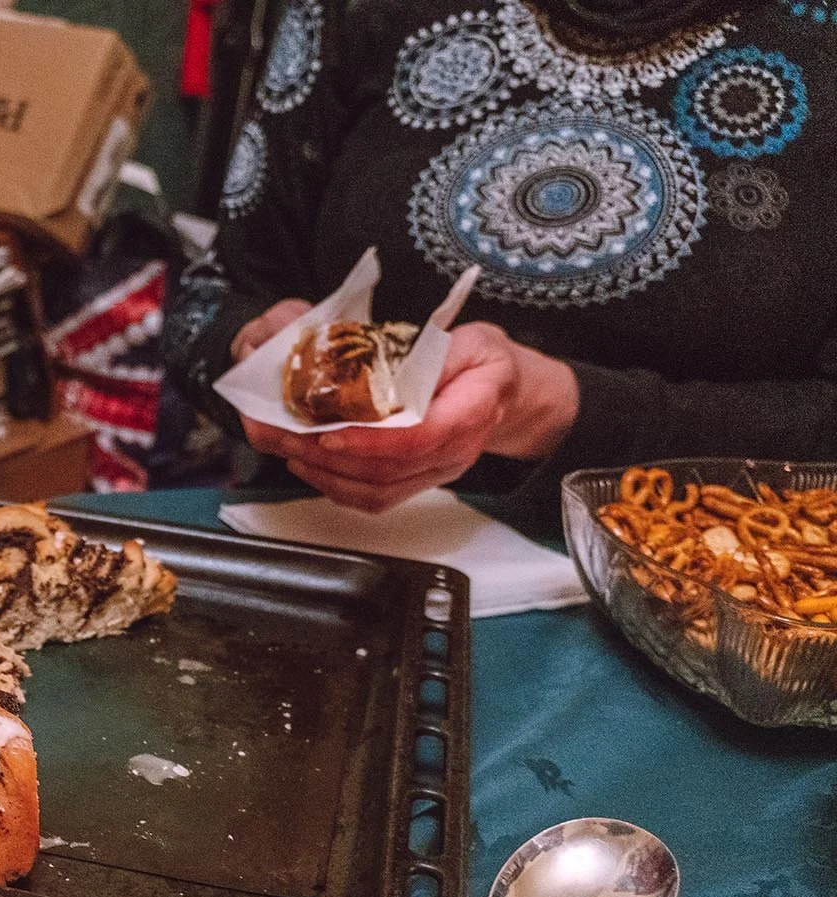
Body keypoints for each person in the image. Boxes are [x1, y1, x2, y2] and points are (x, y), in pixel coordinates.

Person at [164, 0, 835, 513]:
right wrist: (254, 354)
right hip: (344, 569)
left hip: (717, 618)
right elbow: (211, 301)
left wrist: (556, 410)